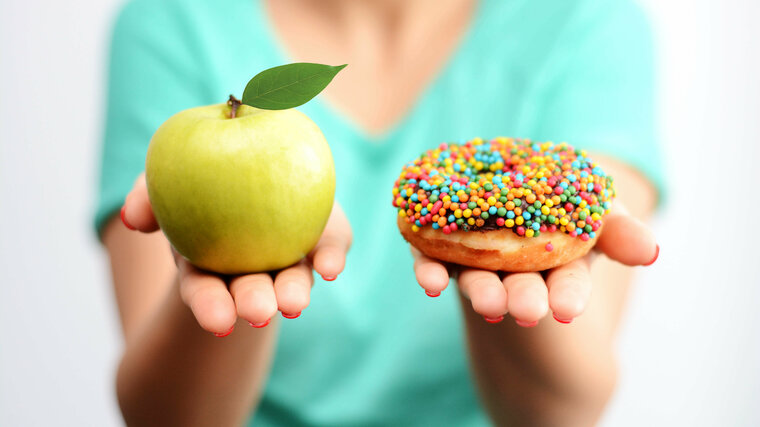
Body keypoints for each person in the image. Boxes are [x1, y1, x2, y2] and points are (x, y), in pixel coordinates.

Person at [96, 0, 661, 425]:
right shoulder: (175, 21)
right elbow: (160, 417)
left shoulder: (585, 20)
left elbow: (563, 411)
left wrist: (510, 278)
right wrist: (230, 246)